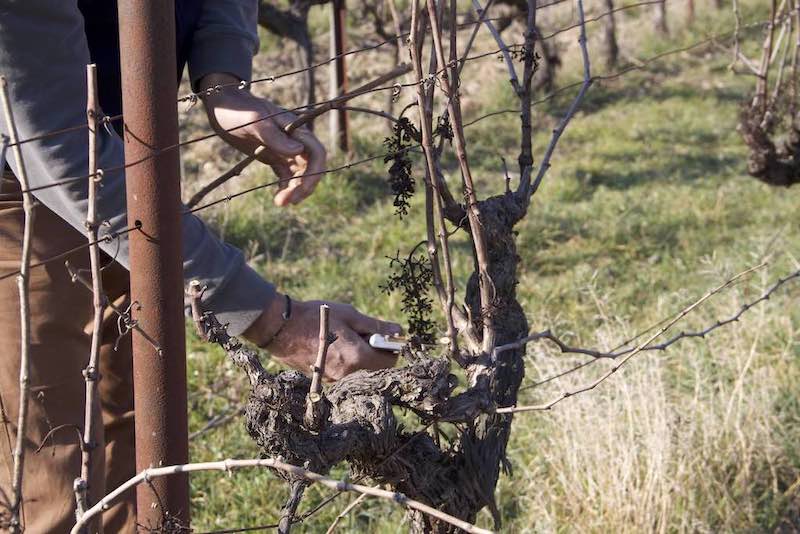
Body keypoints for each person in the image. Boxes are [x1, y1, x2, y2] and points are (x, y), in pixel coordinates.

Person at [0, 0, 400, 531]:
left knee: (136, 419)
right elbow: (55, 141)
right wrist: (274, 320)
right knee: (52, 471)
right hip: (22, 179)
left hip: (126, 144)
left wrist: (222, 80)